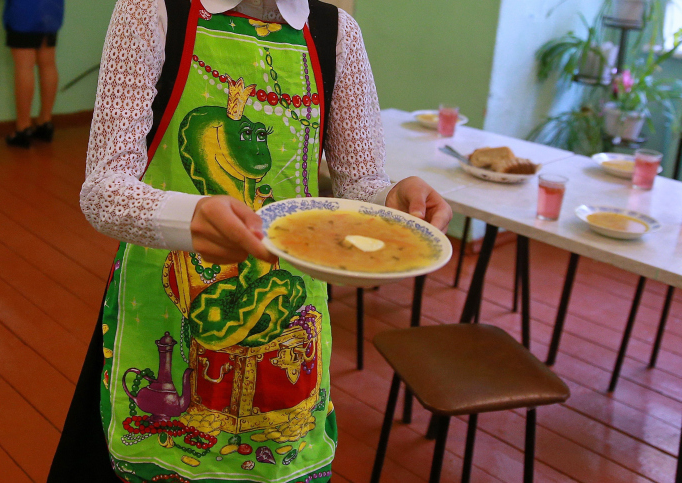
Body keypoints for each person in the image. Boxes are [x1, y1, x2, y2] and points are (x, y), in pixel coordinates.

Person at [48, 0, 452, 482]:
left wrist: (389, 197)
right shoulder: (151, 9)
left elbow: (359, 182)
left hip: (287, 308)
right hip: (165, 307)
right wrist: (191, 216)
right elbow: (104, 190)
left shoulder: (336, 32)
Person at [3, 0, 63, 148]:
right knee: (48, 64)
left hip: (23, 10)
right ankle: (45, 122)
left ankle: (24, 128)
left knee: (24, 67)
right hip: (51, 9)